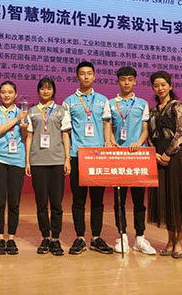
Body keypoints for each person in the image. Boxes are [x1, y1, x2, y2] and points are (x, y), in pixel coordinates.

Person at [147, 70, 182, 259]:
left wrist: (167, 154)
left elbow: (181, 132)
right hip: (158, 157)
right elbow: (150, 135)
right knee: (165, 199)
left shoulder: (178, 106)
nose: (160, 88)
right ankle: (170, 240)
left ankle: (180, 242)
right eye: (156, 85)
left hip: (176, 156)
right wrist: (155, 153)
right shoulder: (153, 110)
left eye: (163, 85)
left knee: (178, 198)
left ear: (170, 86)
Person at [102, 66, 156, 255]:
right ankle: (122, 235)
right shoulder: (110, 103)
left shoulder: (142, 104)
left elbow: (145, 129)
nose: (126, 82)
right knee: (120, 200)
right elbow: (108, 125)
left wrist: (139, 143)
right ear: (118, 81)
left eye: (130, 79)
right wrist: (112, 141)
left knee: (139, 200)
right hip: (119, 157)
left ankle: (140, 237)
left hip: (137, 156)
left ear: (135, 81)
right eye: (123, 79)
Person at [63, 61, 113, 255]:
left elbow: (107, 123)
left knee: (98, 200)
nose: (86, 76)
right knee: (78, 200)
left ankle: (96, 237)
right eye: (82, 73)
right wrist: (67, 158)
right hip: (78, 155)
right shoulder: (69, 101)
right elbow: (66, 132)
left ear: (94, 76)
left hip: (98, 156)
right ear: (77, 76)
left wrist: (107, 142)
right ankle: (80, 238)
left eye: (89, 73)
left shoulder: (103, 100)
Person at [25, 77, 72, 256]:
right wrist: (27, 161)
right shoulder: (31, 111)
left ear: (53, 91)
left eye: (49, 88)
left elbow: (65, 135)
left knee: (57, 203)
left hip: (57, 161)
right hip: (38, 161)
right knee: (41, 202)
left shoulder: (61, 110)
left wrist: (67, 159)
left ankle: (56, 238)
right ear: (38, 91)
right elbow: (29, 137)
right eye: (42, 88)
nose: (45, 91)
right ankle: (45, 237)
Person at [0, 81, 28, 255]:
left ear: (16, 94)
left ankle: (11, 238)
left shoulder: (23, 112)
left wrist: (24, 127)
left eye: (10, 92)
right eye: (3, 92)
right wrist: (16, 120)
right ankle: (0, 238)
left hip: (17, 161)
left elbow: (24, 138)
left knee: (14, 202)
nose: (6, 95)